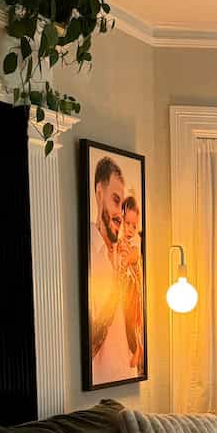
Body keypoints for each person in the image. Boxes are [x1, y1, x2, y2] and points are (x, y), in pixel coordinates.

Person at [90, 156, 137, 385]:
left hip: (127, 377)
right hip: (101, 384)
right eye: (115, 201)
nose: (119, 213)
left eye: (122, 204)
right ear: (99, 194)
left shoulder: (121, 253)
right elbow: (89, 342)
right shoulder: (89, 254)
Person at [117, 194, 144, 373]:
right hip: (125, 287)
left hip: (133, 288)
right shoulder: (120, 240)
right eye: (128, 224)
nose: (131, 229)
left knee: (131, 320)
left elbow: (132, 257)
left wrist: (126, 258)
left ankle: (138, 349)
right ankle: (135, 348)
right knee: (128, 321)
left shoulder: (135, 242)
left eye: (134, 226)